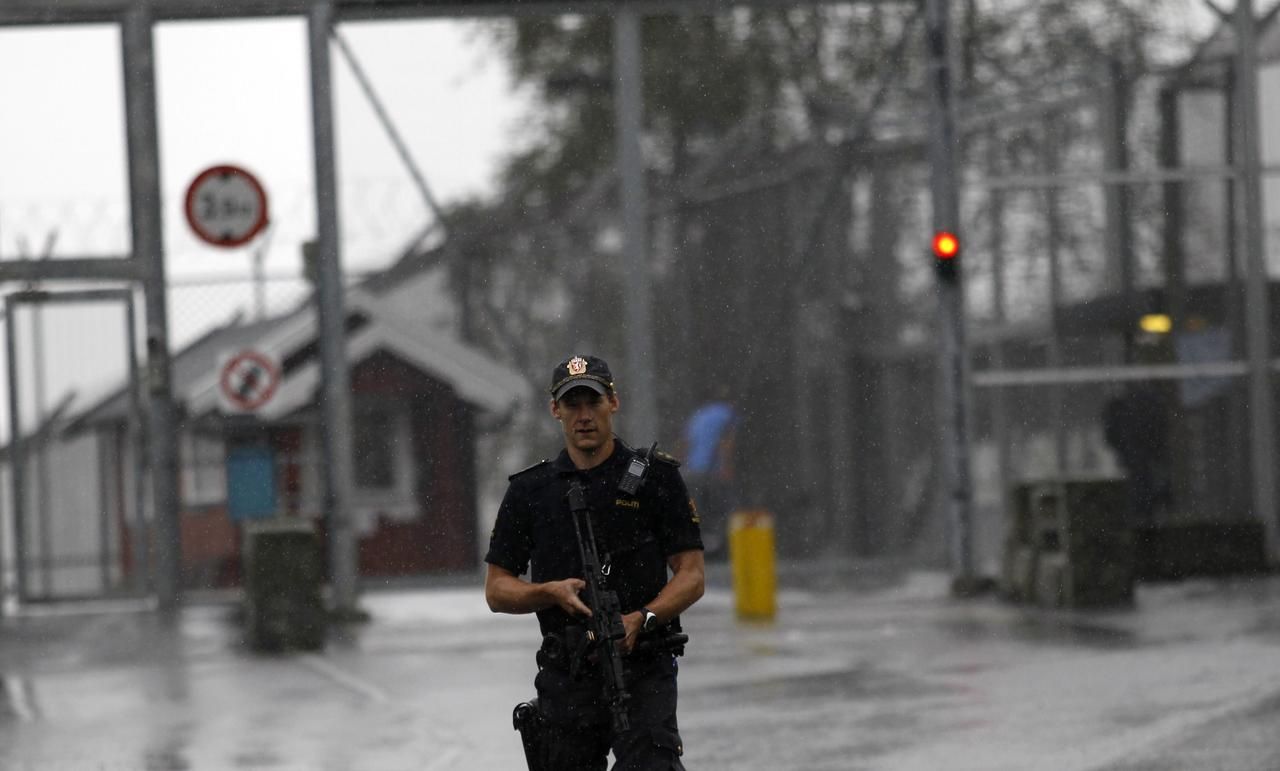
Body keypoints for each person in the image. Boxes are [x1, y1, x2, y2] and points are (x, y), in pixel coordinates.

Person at [485, 354, 705, 770]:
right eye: (572, 405)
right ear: (556, 410)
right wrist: (547, 592)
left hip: (643, 667)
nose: (584, 416)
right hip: (568, 673)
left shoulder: (654, 479)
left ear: (613, 403)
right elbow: (497, 589)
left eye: (594, 402)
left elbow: (691, 575)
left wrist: (643, 618)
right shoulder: (530, 491)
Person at [680, 391, 738, 559]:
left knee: (700, 511)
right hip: (714, 470)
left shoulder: (699, 415)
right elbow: (727, 442)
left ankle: (701, 547)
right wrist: (727, 467)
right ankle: (723, 549)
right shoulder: (728, 414)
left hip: (694, 470)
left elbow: (685, 443)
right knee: (723, 509)